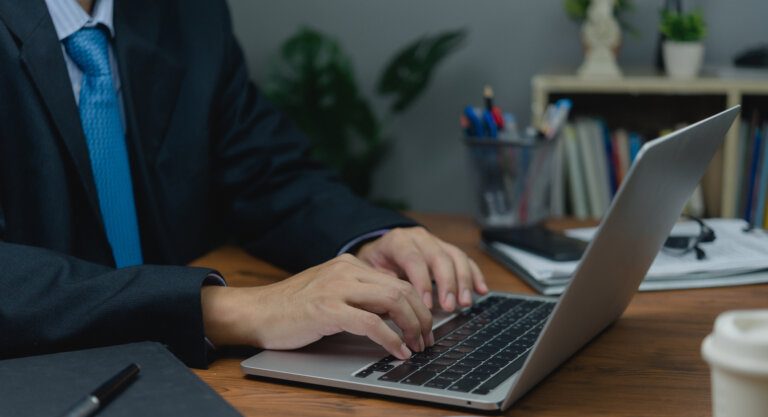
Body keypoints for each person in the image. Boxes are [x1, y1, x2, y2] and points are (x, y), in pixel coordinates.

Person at [0, 0, 487, 368]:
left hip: (184, 378)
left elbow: (265, 169)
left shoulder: (188, 13)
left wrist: (371, 240)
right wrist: (228, 308)